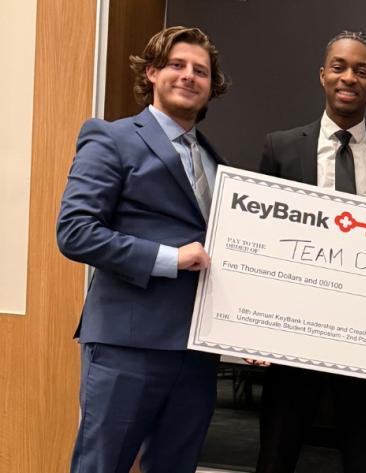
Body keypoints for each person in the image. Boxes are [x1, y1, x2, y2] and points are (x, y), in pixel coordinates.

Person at [57, 26, 230, 472]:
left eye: (201, 71)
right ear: (152, 72)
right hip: (126, 348)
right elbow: (75, 231)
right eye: (177, 65)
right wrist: (170, 259)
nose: (189, 76)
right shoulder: (111, 138)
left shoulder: (218, 164)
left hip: (195, 354)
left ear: (212, 86)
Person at [251, 30, 366, 473]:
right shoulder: (281, 149)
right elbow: (258, 245)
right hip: (291, 340)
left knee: (362, 461)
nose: (349, 77)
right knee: (275, 459)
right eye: (339, 67)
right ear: (322, 75)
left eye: (361, 71)